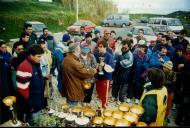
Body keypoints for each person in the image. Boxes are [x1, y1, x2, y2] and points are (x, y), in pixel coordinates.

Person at [16, 44, 44, 125]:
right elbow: (23, 90)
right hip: (32, 106)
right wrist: (30, 106)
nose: (40, 58)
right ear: (31, 55)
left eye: (41, 56)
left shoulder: (35, 63)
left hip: (38, 102)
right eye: (38, 56)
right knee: (34, 123)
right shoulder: (25, 67)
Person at [61, 42, 97, 106]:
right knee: (73, 109)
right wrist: (93, 71)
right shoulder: (74, 63)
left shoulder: (66, 59)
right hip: (73, 89)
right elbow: (84, 74)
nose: (80, 52)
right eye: (79, 50)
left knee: (69, 105)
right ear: (75, 51)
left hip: (68, 87)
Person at [112, 40, 133, 104]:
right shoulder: (118, 51)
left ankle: (121, 100)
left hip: (125, 72)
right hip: (117, 71)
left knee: (123, 87)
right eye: (122, 47)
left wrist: (120, 58)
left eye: (125, 48)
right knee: (115, 84)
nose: (123, 49)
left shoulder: (130, 55)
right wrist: (117, 61)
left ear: (129, 47)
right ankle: (114, 96)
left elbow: (126, 64)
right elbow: (113, 59)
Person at [94, 40, 114, 109]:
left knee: (105, 91)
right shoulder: (96, 54)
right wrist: (96, 66)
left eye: (101, 47)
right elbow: (94, 63)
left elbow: (112, 68)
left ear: (105, 47)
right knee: (99, 90)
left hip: (106, 76)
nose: (99, 48)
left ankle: (104, 104)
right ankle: (100, 101)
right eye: (98, 47)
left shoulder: (109, 56)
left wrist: (104, 65)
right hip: (98, 76)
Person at [39, 41, 52, 108]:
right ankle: (42, 104)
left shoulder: (45, 54)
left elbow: (48, 64)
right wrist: (45, 74)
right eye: (43, 47)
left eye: (45, 47)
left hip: (46, 73)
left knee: (46, 89)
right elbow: (41, 67)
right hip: (42, 75)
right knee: (42, 89)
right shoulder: (39, 56)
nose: (44, 48)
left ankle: (45, 104)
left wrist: (48, 72)